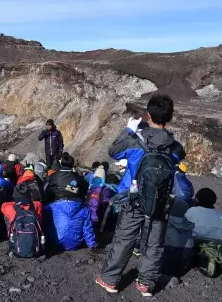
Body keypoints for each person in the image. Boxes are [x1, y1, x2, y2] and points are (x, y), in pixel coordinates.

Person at [96, 94, 186, 297]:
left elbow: (114, 151)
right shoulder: (174, 147)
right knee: (154, 243)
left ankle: (110, 279)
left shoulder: (137, 141)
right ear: (169, 117)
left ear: (148, 115)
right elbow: (180, 157)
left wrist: (129, 129)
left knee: (124, 239)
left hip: (133, 198)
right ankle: (146, 283)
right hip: (160, 201)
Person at [44, 171, 98, 252]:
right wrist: (92, 245)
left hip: (55, 243)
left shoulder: (51, 207)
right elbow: (88, 229)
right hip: (76, 244)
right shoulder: (84, 208)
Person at [163, 197, 194, 278]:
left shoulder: (165, 223)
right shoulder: (188, 226)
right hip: (179, 265)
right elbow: (189, 247)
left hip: (162, 261)